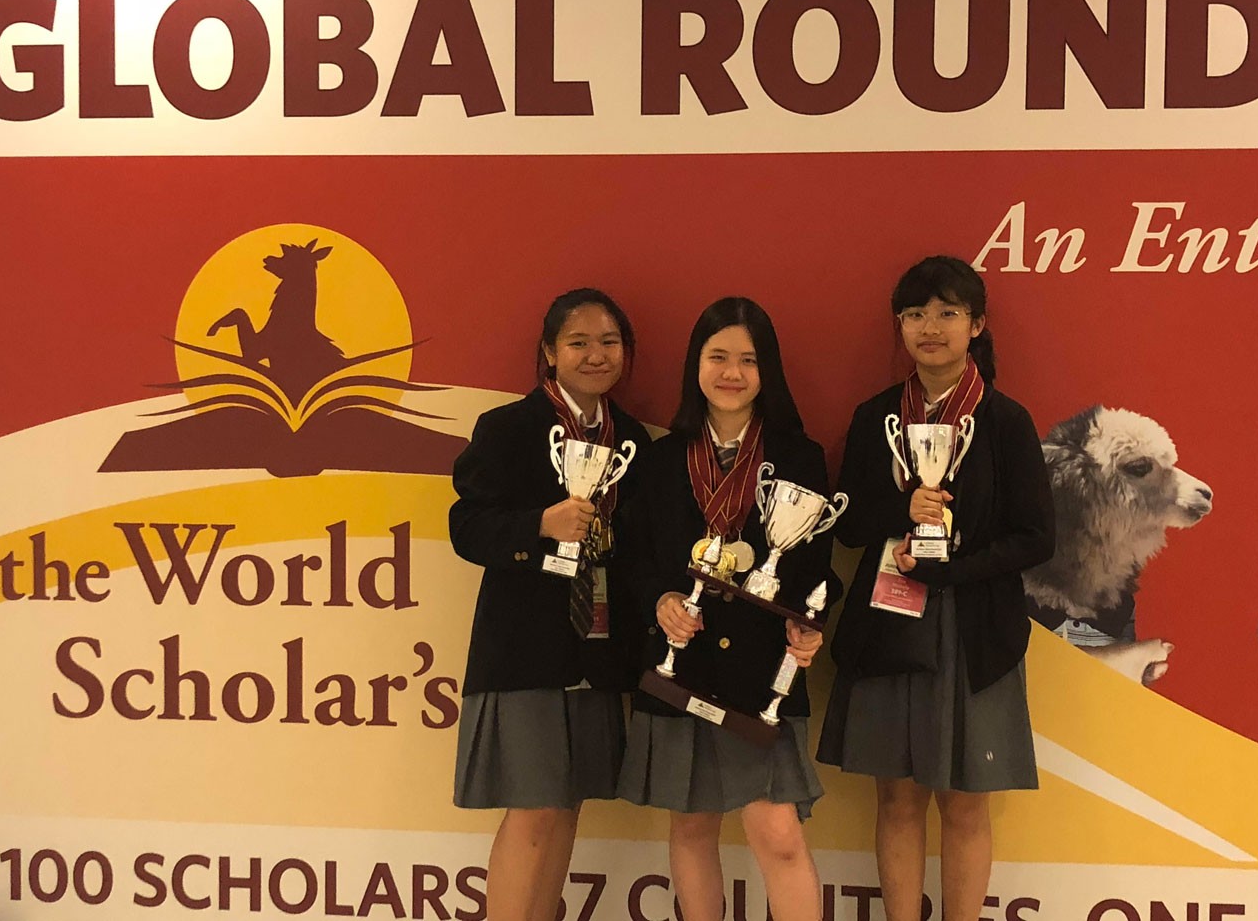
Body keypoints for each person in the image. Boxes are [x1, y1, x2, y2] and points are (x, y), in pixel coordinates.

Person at [817, 256, 1055, 921]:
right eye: (916, 313)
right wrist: (902, 511)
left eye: (948, 313)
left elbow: (1036, 538)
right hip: (891, 626)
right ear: (899, 325)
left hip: (976, 633)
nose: (931, 327)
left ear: (976, 325)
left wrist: (951, 568)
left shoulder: (1005, 422)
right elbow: (849, 525)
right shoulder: (874, 420)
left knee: (965, 801)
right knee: (896, 800)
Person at [618, 296, 839, 921]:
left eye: (748, 359)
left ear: (767, 370)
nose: (732, 372)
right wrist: (659, 600)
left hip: (761, 669)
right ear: (696, 366)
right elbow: (637, 561)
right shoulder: (662, 459)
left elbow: (813, 571)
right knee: (691, 827)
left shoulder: (800, 458)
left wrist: (807, 623)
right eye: (718, 357)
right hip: (680, 663)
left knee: (778, 834)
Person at [449, 288, 650, 921]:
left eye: (609, 342)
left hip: (596, 643)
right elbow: (467, 527)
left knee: (568, 803)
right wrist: (541, 523)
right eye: (579, 342)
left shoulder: (635, 440)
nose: (596, 355)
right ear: (549, 353)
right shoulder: (508, 427)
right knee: (534, 805)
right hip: (523, 646)